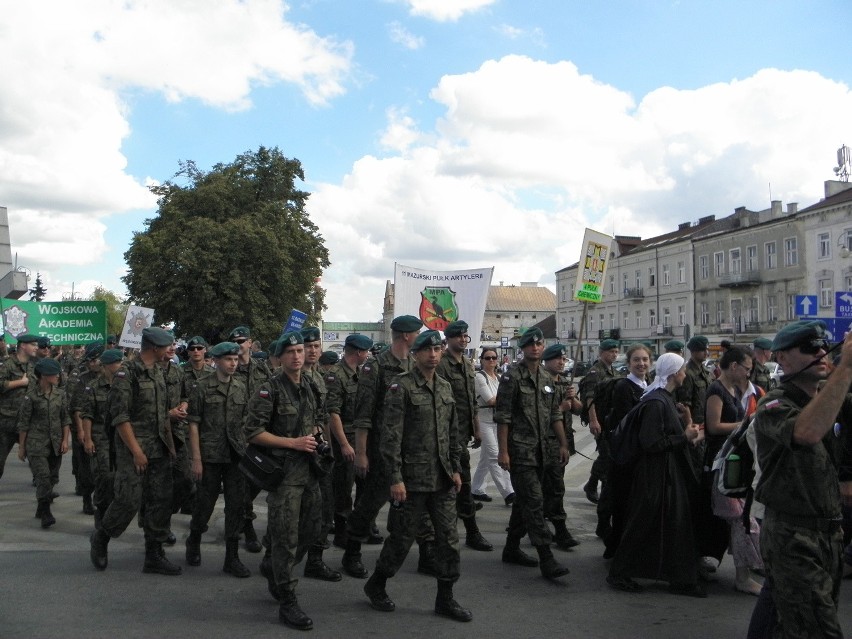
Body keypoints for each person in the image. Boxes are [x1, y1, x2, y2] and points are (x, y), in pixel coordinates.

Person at [751, 320, 852, 638]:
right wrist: (845, 367)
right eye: (810, 348)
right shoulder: (774, 403)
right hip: (792, 535)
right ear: (782, 357)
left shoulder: (827, 398)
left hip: (828, 533)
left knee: (786, 624)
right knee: (819, 630)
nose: (822, 353)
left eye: (825, 346)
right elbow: (808, 431)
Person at [362, 330, 472, 622]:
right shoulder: (402, 386)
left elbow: (452, 434)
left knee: (448, 540)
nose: (433, 354)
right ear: (415, 353)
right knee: (401, 539)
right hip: (411, 480)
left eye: (437, 349)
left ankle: (445, 598)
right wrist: (395, 478)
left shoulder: (446, 388)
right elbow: (390, 437)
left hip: (442, 479)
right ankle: (378, 583)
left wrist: (456, 469)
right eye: (427, 350)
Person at [343, 315, 435, 579]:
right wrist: (361, 453)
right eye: (418, 332)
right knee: (369, 504)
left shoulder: (415, 363)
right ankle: (352, 552)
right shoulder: (377, 366)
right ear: (406, 335)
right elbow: (363, 413)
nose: (421, 336)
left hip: (413, 449)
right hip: (382, 449)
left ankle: (427, 554)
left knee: (421, 503)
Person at [606, 352, 705, 597]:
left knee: (671, 527)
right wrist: (685, 437)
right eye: (682, 370)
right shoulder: (656, 402)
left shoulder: (664, 399)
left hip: (665, 474)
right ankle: (620, 573)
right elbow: (650, 442)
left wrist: (686, 425)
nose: (686, 374)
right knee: (645, 523)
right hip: (655, 476)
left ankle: (678, 577)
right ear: (673, 374)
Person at [244, 331, 322, 631]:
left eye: (300, 350)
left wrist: (317, 435)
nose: (297, 356)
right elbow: (252, 432)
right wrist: (293, 443)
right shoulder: (269, 389)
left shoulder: (313, 385)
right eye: (290, 351)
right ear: (279, 357)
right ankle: (287, 600)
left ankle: (273, 565)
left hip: (310, 471)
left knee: (312, 528)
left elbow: (318, 417)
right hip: (284, 475)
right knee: (286, 538)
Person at [89, 327, 182, 576]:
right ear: (154, 347)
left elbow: (163, 414)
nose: (171, 350)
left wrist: (170, 446)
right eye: (167, 346)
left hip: (159, 448)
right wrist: (137, 452)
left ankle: (154, 555)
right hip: (134, 449)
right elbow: (120, 417)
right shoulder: (126, 373)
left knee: (160, 501)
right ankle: (101, 537)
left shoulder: (159, 372)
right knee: (128, 500)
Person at [496, 327, 571, 580]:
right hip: (520, 451)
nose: (535, 348)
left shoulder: (547, 379)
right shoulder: (512, 378)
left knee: (525, 501)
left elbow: (554, 415)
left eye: (539, 344)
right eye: (530, 344)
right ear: (523, 348)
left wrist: (562, 444)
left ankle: (511, 548)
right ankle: (546, 558)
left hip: (543, 451)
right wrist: (503, 452)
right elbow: (503, 417)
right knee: (535, 502)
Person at [185, 341, 250, 578]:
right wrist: (196, 458)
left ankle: (231, 557)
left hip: (235, 455)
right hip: (210, 456)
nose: (233, 363)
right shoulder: (202, 387)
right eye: (228, 360)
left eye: (235, 359)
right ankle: (194, 539)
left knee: (236, 506)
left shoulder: (241, 387)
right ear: (217, 361)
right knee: (204, 504)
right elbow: (193, 423)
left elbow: (246, 421)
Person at [704, 346, 764, 595]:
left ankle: (746, 568)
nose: (749, 374)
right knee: (743, 520)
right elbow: (714, 426)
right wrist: (745, 423)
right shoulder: (717, 390)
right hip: (719, 463)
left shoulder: (735, 389)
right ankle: (743, 576)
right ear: (733, 366)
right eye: (747, 368)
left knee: (739, 520)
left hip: (733, 463)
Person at [435, 320, 492, 552]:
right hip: (446, 436)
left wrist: (476, 429)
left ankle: (469, 531)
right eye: (458, 336)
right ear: (448, 339)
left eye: (465, 336)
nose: (462, 339)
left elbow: (471, 402)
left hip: (463, 435)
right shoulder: (441, 365)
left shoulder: (468, 365)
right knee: (456, 486)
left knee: (464, 485)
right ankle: (463, 533)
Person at [601, 343, 651, 558]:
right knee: (622, 503)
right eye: (636, 360)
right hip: (625, 455)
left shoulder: (646, 385)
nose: (641, 364)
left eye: (645, 360)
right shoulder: (624, 387)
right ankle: (616, 547)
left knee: (634, 504)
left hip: (639, 454)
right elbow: (627, 421)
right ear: (629, 363)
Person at [325, 333, 372, 549]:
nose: (368, 355)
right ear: (359, 352)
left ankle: (361, 528)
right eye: (366, 352)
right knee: (343, 487)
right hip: (345, 439)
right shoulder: (337, 375)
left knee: (364, 486)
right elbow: (333, 413)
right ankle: (341, 531)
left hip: (361, 440)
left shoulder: (360, 373)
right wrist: (343, 444)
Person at [230, 325, 272, 554]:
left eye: (242, 341)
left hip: (258, 435)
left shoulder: (262, 369)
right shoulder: (228, 368)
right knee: (240, 484)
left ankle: (240, 519)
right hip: (234, 437)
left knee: (256, 481)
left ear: (250, 343)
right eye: (235, 341)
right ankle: (246, 527)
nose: (238, 345)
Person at [16, 357, 71, 528]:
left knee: (53, 477)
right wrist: (22, 447)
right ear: (44, 376)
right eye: (54, 373)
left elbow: (65, 419)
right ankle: (46, 512)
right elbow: (24, 423)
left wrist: (65, 440)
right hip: (36, 444)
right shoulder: (31, 397)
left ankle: (41, 505)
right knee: (43, 477)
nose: (57, 376)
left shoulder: (60, 394)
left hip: (55, 443)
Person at [541, 343, 581, 549]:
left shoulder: (565, 383)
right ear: (546, 361)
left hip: (562, 443)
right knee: (551, 488)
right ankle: (556, 529)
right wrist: (561, 407)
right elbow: (539, 415)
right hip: (546, 442)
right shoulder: (542, 382)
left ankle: (541, 526)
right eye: (557, 359)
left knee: (553, 488)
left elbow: (579, 410)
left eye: (563, 359)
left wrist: (572, 399)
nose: (561, 362)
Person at [81, 348, 124, 527]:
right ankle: (101, 515)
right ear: (106, 366)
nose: (120, 366)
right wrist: (88, 438)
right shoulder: (94, 386)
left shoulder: (125, 383)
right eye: (117, 363)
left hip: (121, 437)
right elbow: (87, 415)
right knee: (103, 477)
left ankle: (113, 514)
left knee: (119, 478)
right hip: (101, 437)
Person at [580, 339, 621, 506]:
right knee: (606, 455)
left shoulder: (614, 372)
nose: (614, 354)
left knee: (608, 455)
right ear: (601, 353)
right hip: (600, 420)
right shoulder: (595, 373)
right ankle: (598, 487)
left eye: (616, 351)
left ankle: (593, 484)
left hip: (612, 421)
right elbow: (590, 399)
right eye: (610, 351)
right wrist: (593, 420)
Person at [471, 347, 514, 506]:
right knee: (495, 456)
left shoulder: (498, 377)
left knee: (485, 459)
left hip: (496, 420)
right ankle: (508, 492)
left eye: (494, 358)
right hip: (484, 421)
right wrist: (507, 396)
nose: (491, 361)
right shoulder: (479, 377)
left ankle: (476, 489)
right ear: (481, 360)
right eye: (487, 358)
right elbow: (490, 400)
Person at [0, 334, 40, 481]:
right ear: (23, 345)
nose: (36, 347)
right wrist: (20, 383)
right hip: (7, 422)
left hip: (26, 421)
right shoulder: (8, 364)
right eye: (33, 344)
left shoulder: (32, 366)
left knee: (37, 458)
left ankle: (44, 491)